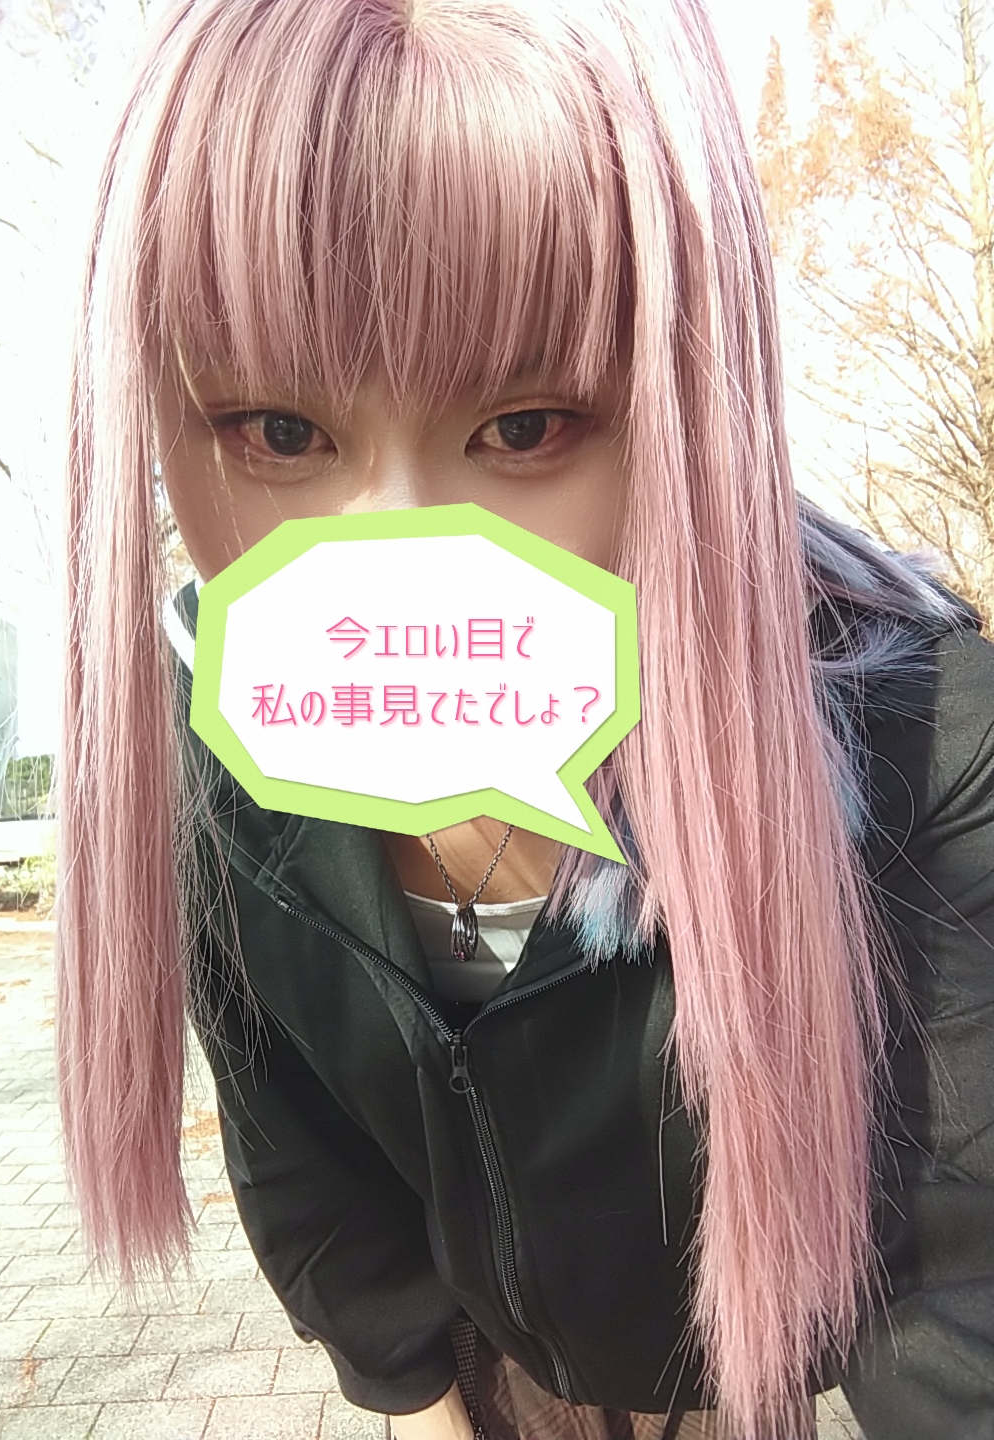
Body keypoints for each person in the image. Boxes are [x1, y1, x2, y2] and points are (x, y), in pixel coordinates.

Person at [55, 2, 994, 1437]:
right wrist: (425, 1404)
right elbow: (308, 1164)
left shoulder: (922, 739)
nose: (397, 566)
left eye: (525, 427)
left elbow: (958, 1298)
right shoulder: (219, 753)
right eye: (281, 433)